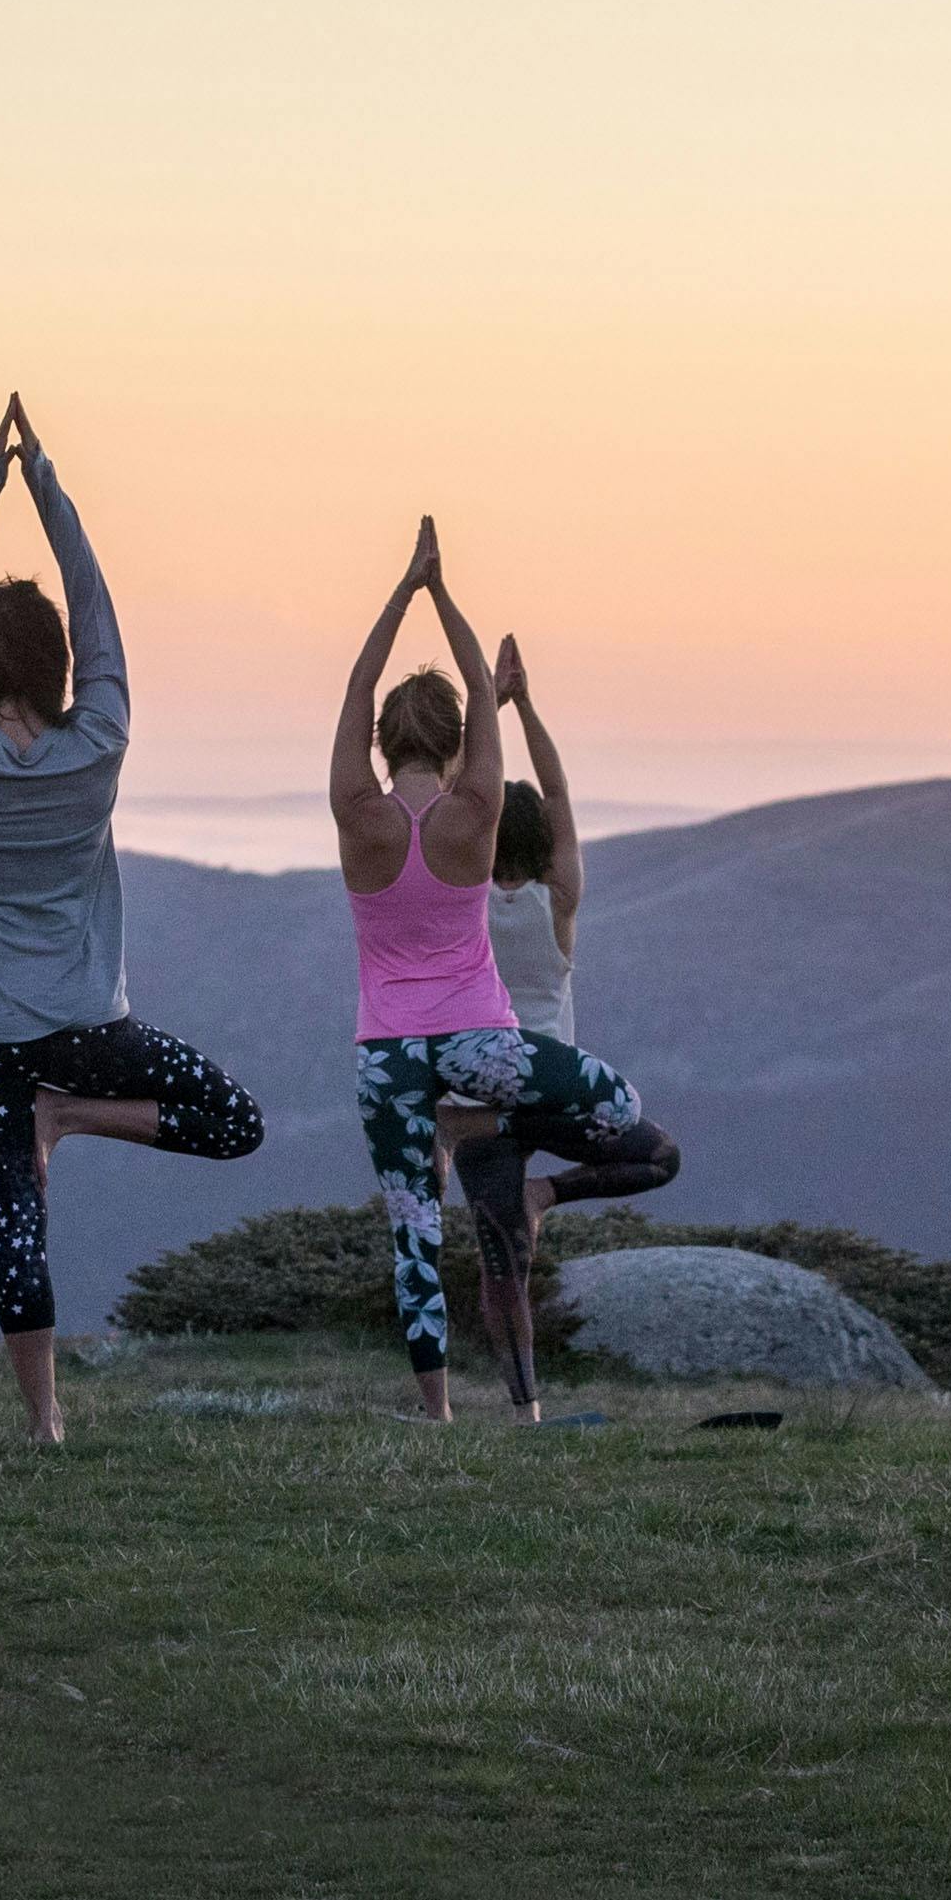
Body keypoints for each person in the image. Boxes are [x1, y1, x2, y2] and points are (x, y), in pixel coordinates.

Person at [0, 394, 262, 1443]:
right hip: (87, 1028)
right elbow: (96, 607)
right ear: (61, 666)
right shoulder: (99, 741)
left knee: (14, 1227)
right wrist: (48, 487)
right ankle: (68, 1116)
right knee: (235, 1121)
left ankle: (46, 1420)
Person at [332, 530, 668, 1421]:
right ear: (457, 747)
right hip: (482, 1045)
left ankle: (438, 1411)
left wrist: (402, 592)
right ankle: (532, 1189)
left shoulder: (355, 812)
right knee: (620, 1103)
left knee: (414, 1231)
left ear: (378, 742)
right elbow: (485, 693)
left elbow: (359, 687)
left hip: (386, 1052)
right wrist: (443, 596)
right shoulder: (477, 810)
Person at [445, 629, 678, 1404]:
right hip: (553, 1097)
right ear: (542, 843)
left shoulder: (460, 904)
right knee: (660, 1157)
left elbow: (451, 800)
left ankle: (527, 1410)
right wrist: (523, 706)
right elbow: (560, 796)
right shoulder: (559, 901)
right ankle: (548, 1195)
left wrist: (487, 708)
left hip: (475, 1108)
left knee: (502, 1272)